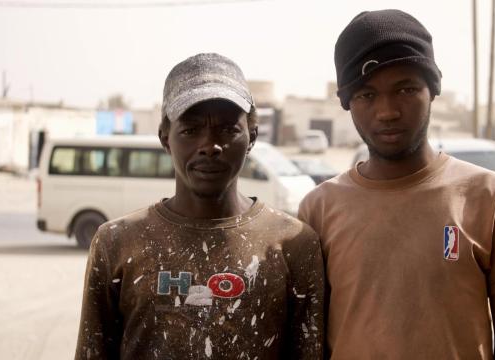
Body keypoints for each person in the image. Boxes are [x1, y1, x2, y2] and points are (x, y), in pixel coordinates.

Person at [298, 10, 495, 359]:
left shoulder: (492, 197)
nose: (387, 111)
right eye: (366, 95)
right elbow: (311, 342)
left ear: (433, 90)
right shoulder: (318, 208)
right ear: (346, 103)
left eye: (406, 89)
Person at [75, 53, 324, 359]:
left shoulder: (294, 244)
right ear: (166, 138)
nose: (210, 146)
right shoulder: (116, 242)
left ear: (252, 137)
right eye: (190, 130)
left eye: (228, 129)